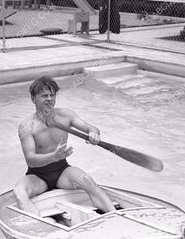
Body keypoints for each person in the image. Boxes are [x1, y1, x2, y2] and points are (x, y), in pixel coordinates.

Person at [13, 76, 116, 219]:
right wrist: (52, 156)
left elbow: (89, 127)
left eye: (52, 95)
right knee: (19, 192)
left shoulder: (65, 115)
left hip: (62, 171)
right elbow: (30, 159)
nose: (49, 99)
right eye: (44, 96)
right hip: (37, 176)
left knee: (88, 181)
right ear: (33, 98)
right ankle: (40, 227)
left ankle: (115, 216)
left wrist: (94, 133)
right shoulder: (27, 126)